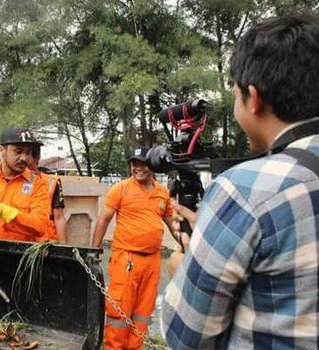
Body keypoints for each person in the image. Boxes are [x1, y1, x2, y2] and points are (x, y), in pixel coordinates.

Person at [162, 14, 319, 349]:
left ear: (253, 97)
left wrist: (183, 268)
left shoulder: (246, 189)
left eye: (236, 97)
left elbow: (187, 336)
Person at [91, 146, 177, 350]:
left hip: (153, 261)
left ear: (152, 166)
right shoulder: (120, 189)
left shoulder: (162, 192)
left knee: (142, 314)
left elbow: (172, 222)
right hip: (126, 259)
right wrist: (93, 251)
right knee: (119, 313)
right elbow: (103, 219)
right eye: (134, 163)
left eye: (142, 163)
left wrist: (189, 245)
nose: (138, 168)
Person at [0, 126, 49, 242]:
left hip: (19, 255)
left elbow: (40, 226)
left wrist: (7, 212)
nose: (24, 158)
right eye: (18, 151)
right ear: (1, 150)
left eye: (28, 153)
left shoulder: (38, 184)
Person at [27, 146, 68, 243]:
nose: (22, 159)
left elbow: (59, 217)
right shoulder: (11, 181)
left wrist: (64, 250)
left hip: (45, 244)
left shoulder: (51, 182)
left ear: (37, 158)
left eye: (27, 154)